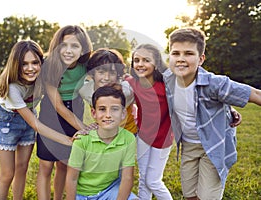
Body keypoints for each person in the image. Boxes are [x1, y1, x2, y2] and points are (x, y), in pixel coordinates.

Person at [162, 27, 261, 200]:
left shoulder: (214, 84)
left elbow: (254, 94)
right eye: (175, 53)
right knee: (189, 194)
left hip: (214, 146)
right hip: (188, 146)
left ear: (200, 59)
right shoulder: (166, 80)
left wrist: (229, 111)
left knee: (207, 197)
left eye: (188, 54)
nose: (181, 59)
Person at [0, 40, 74, 200]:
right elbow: (35, 124)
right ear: (16, 65)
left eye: (35, 62)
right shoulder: (13, 88)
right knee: (7, 173)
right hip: (8, 122)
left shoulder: (42, 78)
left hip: (28, 115)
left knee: (22, 167)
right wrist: (67, 140)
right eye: (24, 64)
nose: (30, 68)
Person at [36, 25, 93, 199]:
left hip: (75, 109)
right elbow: (58, 105)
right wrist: (83, 127)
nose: (68, 51)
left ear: (83, 48)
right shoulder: (50, 66)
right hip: (51, 114)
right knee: (46, 166)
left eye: (74, 46)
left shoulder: (86, 66)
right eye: (64, 45)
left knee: (64, 165)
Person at [66, 83, 138, 200]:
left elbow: (127, 178)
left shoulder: (128, 139)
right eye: (102, 109)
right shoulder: (82, 140)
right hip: (83, 194)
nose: (108, 115)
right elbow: (72, 178)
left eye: (114, 109)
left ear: (123, 113)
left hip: (110, 189)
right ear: (94, 113)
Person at [125, 44, 174, 200]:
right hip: (143, 136)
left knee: (153, 181)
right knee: (143, 179)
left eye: (146, 60)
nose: (140, 64)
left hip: (163, 138)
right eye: (136, 60)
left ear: (156, 63)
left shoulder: (167, 84)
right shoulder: (132, 83)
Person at [79, 48, 137, 134]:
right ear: (92, 73)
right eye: (101, 72)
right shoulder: (85, 91)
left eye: (112, 73)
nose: (106, 78)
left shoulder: (126, 91)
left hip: (128, 132)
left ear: (118, 75)